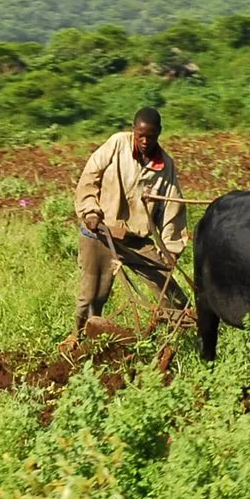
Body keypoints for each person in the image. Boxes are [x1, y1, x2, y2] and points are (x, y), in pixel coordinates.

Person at [72, 107, 188, 338]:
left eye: (151, 136)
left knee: (171, 294)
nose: (145, 141)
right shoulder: (117, 144)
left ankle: (175, 340)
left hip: (136, 240)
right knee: (91, 297)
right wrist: (90, 211)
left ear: (159, 133)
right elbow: (89, 177)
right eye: (140, 135)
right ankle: (81, 340)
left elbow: (173, 207)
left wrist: (170, 248)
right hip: (100, 233)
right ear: (133, 131)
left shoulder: (165, 166)